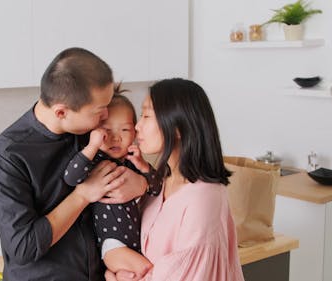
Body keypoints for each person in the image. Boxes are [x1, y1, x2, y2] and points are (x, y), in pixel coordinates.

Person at [0, 47, 151, 281]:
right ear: (61, 112)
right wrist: (82, 195)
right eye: (99, 111)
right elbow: (24, 247)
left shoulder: (90, 132)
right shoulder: (6, 157)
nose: (106, 117)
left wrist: (141, 183)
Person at [105, 78, 245, 281]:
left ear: (178, 128)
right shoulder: (162, 182)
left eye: (146, 115)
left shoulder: (204, 197)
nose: (137, 126)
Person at [63, 87, 162, 279]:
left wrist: (143, 168)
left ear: (134, 132)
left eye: (125, 129)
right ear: (95, 132)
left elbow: (157, 187)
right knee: (148, 271)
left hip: (137, 243)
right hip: (113, 246)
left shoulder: (133, 163)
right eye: (107, 130)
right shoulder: (95, 162)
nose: (116, 137)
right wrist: (92, 146)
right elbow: (71, 177)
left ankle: (111, 276)